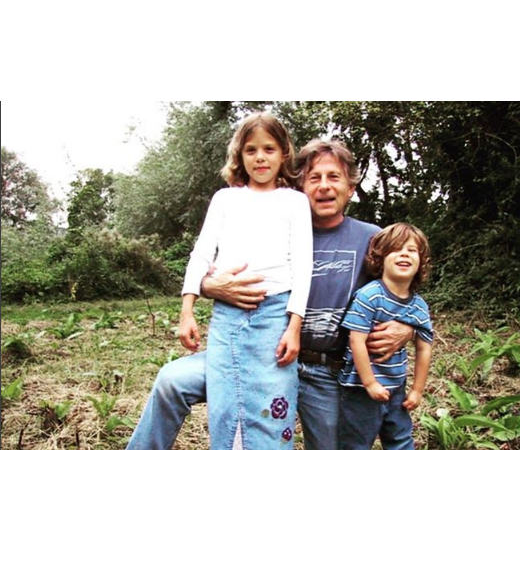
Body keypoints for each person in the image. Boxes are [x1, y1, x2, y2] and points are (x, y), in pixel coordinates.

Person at [127, 139, 413, 450]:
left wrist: (407, 327)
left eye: (334, 177)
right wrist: (210, 286)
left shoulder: (372, 238)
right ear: (299, 185)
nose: (324, 187)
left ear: (351, 187)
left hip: (323, 372)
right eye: (314, 178)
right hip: (259, 353)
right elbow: (212, 263)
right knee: (173, 381)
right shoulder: (271, 224)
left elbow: (403, 292)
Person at [178, 112, 312, 449]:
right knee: (227, 402)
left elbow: (303, 267)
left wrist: (294, 326)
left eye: (269, 148)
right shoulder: (225, 199)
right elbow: (202, 254)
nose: (260, 157)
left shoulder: (295, 202)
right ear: (240, 155)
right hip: (227, 317)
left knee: (272, 405)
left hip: (275, 315)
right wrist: (187, 310)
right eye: (251, 150)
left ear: (284, 153)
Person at [338, 223, 433, 450]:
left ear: (421, 261)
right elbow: (356, 340)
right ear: (380, 259)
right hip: (360, 390)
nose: (404, 254)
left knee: (401, 442)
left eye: (411, 250)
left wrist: (417, 390)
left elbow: (424, 348)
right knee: (355, 444)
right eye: (396, 249)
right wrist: (370, 383)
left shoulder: (419, 306)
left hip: (397, 388)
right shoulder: (369, 296)